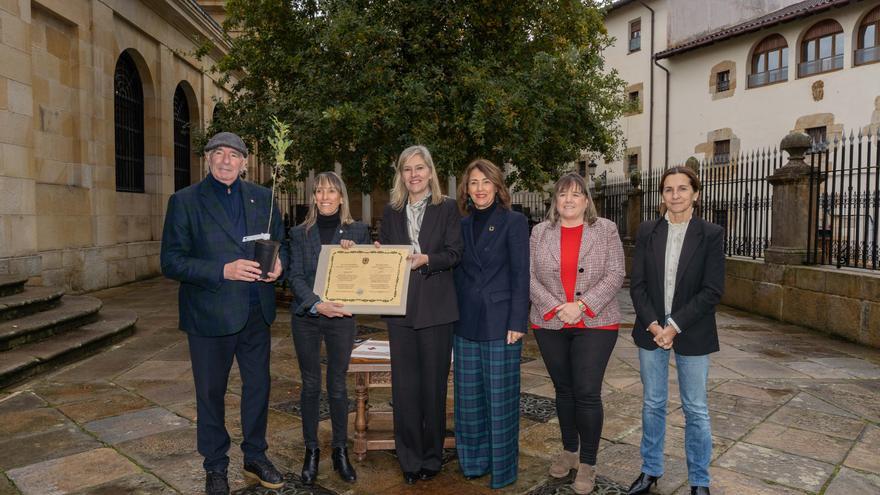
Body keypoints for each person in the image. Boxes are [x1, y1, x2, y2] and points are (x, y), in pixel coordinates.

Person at [160, 132, 286, 495]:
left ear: (245, 162)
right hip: (209, 315)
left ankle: (255, 455)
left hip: (255, 312)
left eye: (234, 155)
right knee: (211, 393)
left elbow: (281, 243)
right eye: (219, 154)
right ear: (208, 159)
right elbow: (171, 261)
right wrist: (222, 270)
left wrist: (280, 265)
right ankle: (215, 465)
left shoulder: (264, 197)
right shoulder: (184, 201)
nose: (226, 160)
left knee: (258, 388)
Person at [627, 166, 724, 495]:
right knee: (652, 403)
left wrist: (675, 326)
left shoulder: (710, 234)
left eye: (683, 189)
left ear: (695, 193)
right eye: (669, 190)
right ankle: (650, 471)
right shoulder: (648, 231)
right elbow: (637, 285)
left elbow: (712, 290)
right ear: (662, 196)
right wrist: (655, 324)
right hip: (650, 328)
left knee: (695, 407)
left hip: (692, 329)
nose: (676, 195)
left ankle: (699, 480)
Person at [529, 172, 625, 495]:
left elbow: (616, 274)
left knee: (586, 390)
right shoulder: (540, 232)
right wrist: (558, 308)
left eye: (575, 194)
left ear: (586, 200)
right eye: (562, 194)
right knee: (564, 389)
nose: (568, 200)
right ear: (555, 201)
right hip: (550, 322)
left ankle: (588, 461)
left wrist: (581, 306)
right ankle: (569, 451)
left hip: (596, 322)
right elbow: (528, 276)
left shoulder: (606, 230)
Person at [379, 145, 463, 485]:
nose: (413, 175)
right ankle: (409, 458)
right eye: (407, 169)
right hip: (400, 312)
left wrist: (428, 259)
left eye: (419, 168)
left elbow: (455, 253)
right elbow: (386, 252)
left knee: (432, 388)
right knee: (405, 389)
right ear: (401, 175)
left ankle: (431, 456)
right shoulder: (391, 211)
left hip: (436, 310)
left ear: (430, 172)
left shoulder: (448, 208)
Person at [286, 171, 370, 486]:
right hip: (307, 316)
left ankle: (339, 450)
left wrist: (358, 255)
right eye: (319, 191)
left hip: (342, 318)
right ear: (314, 197)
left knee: (337, 386)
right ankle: (311, 450)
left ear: (341, 196)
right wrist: (315, 302)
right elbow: (293, 275)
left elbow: (367, 274)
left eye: (331, 191)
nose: (324, 197)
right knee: (309, 385)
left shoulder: (357, 231)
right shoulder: (298, 232)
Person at [453, 158, 529, 488]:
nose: (480, 189)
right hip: (465, 322)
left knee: (500, 401)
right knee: (468, 402)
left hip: (502, 325)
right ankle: (473, 463)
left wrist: (517, 321)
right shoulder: (461, 225)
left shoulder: (513, 222)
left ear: (497, 187)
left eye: (486, 182)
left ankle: (503, 470)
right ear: (466, 190)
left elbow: (520, 274)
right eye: (473, 183)